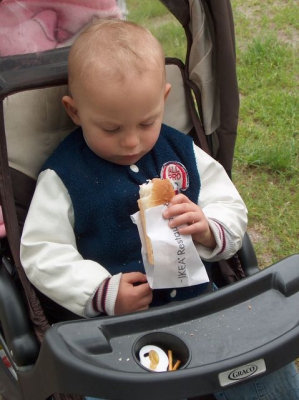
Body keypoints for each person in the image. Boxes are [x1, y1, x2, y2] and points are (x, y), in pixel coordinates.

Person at [20, 19, 299, 400]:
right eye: (111, 128)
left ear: (164, 99)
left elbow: (228, 204)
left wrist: (207, 227)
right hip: (117, 330)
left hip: (201, 305)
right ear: (75, 111)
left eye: (147, 122)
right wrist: (101, 291)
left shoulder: (181, 152)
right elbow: (42, 251)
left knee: (264, 371)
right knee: (109, 389)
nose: (131, 141)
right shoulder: (64, 175)